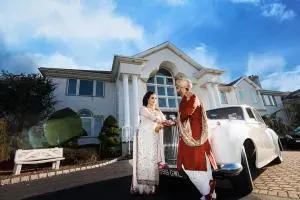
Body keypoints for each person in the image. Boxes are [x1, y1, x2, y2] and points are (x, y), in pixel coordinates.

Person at [174, 78, 218, 200]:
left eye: (178, 87)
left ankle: (207, 193)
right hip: (195, 136)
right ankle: (212, 193)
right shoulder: (186, 98)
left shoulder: (192, 97)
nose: (176, 89)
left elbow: (188, 112)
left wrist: (177, 119)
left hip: (194, 137)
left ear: (184, 88)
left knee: (190, 166)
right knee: (202, 164)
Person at [130, 91, 174, 195]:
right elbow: (153, 118)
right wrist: (164, 121)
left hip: (154, 137)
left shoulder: (158, 110)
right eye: (152, 98)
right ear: (147, 99)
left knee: (151, 160)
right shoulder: (143, 109)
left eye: (155, 98)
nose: (154, 100)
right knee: (144, 160)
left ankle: (150, 186)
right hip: (143, 137)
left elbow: (164, 121)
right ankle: (140, 186)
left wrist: (171, 121)